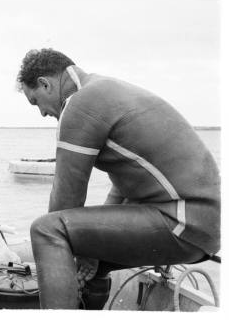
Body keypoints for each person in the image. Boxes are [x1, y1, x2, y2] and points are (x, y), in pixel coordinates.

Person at [17, 48, 220, 309]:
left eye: (36, 102)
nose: (42, 113)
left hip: (181, 222)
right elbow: (121, 186)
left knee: (46, 229)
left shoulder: (81, 103)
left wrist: (81, 246)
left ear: (45, 84)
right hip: (205, 229)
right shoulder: (105, 89)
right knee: (94, 264)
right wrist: (89, 249)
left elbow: (66, 197)